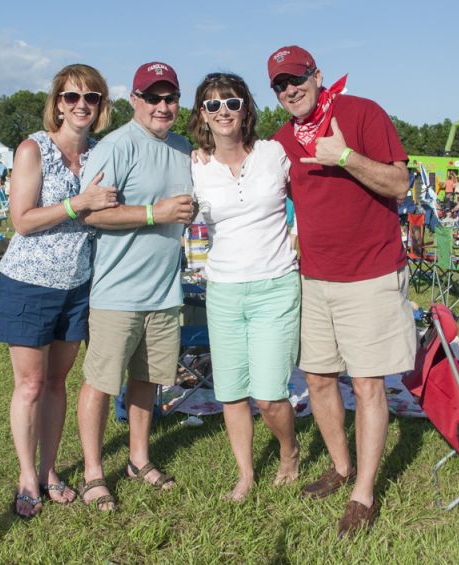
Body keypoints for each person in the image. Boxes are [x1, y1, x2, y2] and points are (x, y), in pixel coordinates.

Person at [266, 45, 416, 536]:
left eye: (298, 78)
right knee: (318, 378)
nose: (291, 89)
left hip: (370, 273)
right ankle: (340, 465)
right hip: (313, 278)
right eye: (280, 84)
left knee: (369, 385)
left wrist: (345, 156)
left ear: (318, 75)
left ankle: (363, 493)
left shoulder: (362, 112)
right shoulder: (282, 141)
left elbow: (399, 184)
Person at [0, 63, 117, 520]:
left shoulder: (101, 154)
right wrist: (77, 204)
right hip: (29, 282)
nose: (81, 105)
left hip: (79, 285)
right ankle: (27, 477)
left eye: (91, 97)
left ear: (102, 105)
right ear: (58, 104)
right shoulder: (34, 149)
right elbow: (22, 221)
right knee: (29, 384)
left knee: (56, 382)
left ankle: (49, 471)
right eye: (72, 97)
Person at [77, 61, 194, 511]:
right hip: (118, 292)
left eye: (170, 98)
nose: (162, 107)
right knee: (101, 383)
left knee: (147, 381)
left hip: (165, 292)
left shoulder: (183, 147)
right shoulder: (115, 146)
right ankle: (92, 472)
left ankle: (138, 459)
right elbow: (92, 213)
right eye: (153, 97)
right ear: (135, 101)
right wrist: (154, 213)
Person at [188, 72, 300, 501]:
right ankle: (246, 473)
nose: (223, 112)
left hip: (275, 285)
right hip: (223, 289)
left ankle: (289, 452)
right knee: (232, 391)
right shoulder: (195, 166)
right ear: (203, 113)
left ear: (245, 109)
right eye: (213, 105)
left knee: (270, 395)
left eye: (231, 103)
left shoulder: (273, 153)